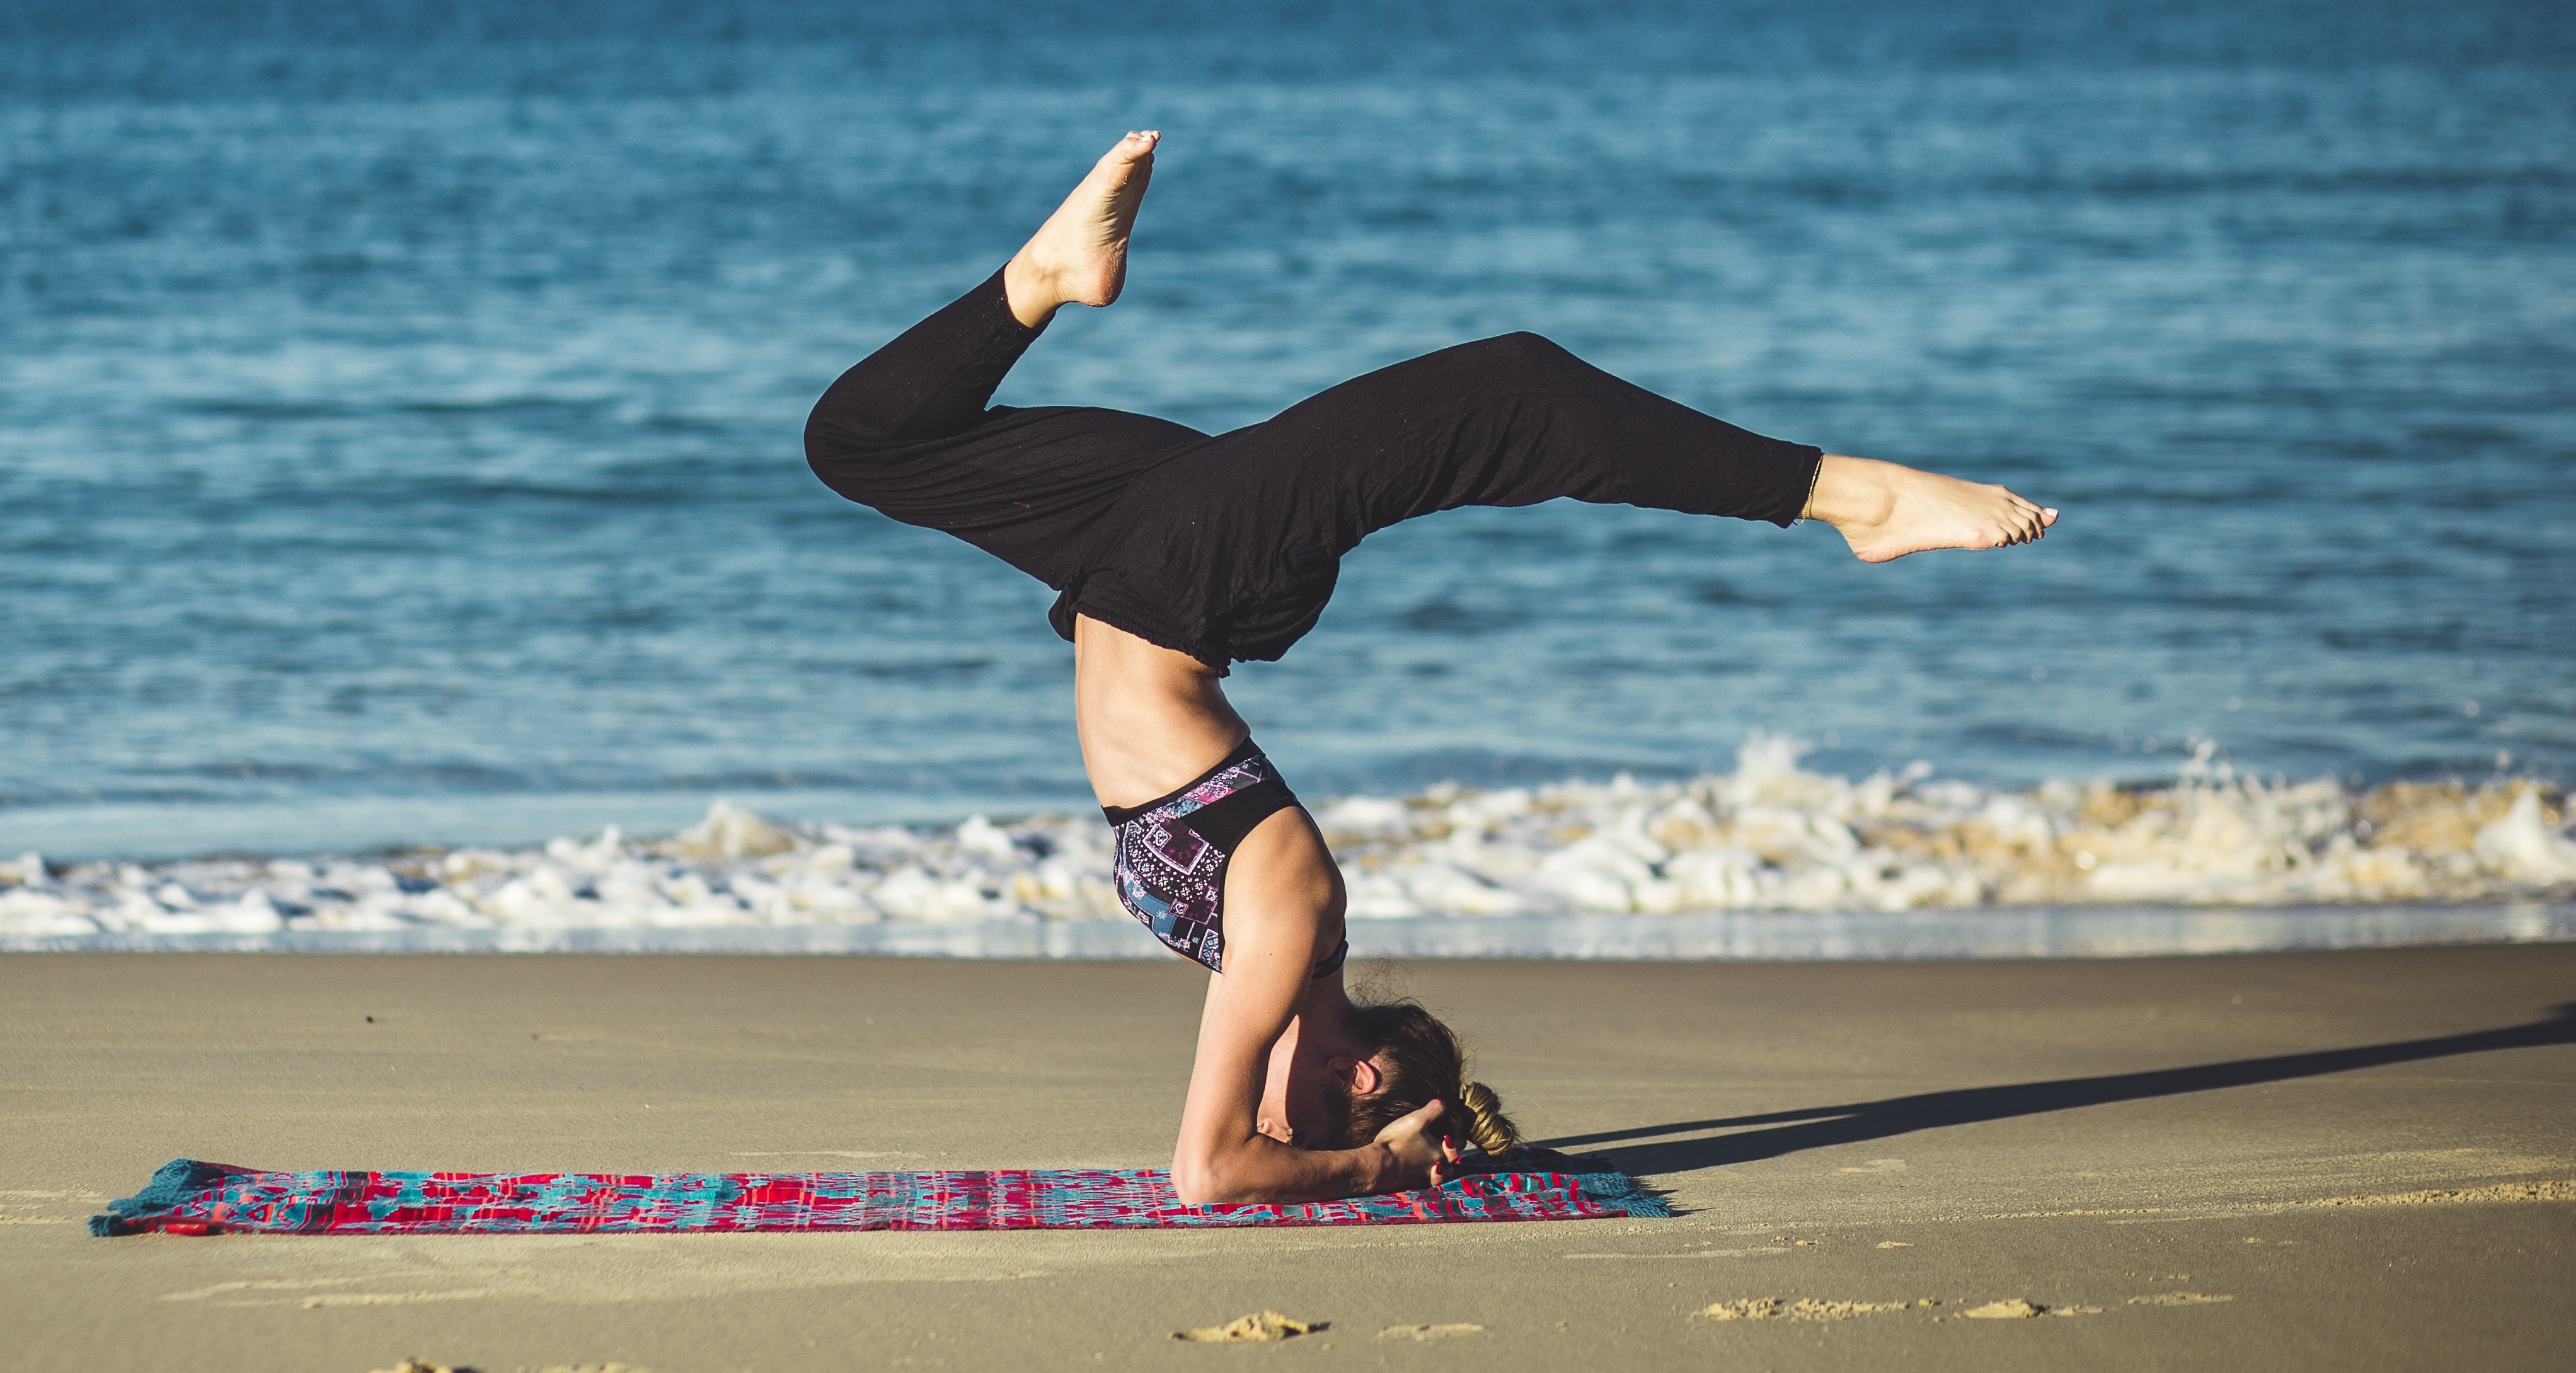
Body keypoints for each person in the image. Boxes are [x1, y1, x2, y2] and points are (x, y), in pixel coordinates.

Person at [805, 132, 2056, 1205]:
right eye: (1295, 1111)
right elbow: (1212, 1170)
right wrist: (1379, 1167)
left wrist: (1395, 1150)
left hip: (1125, 560)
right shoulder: (1290, 918)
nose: (1256, 1104)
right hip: (1191, 577)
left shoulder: (1251, 959)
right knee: (1516, 385)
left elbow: (1222, 1157)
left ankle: (1044, 279)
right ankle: (1855, 499)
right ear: (1361, 1074)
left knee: (861, 442)